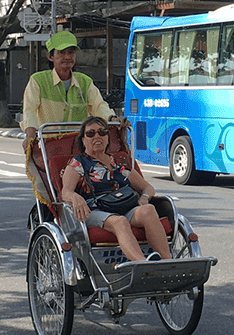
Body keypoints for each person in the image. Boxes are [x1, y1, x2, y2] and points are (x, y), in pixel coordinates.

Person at [60, 116, 171, 263]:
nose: (97, 136)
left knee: (148, 210)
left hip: (124, 206)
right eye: (91, 133)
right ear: (83, 140)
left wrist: (143, 199)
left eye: (102, 132)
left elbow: (147, 187)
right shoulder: (78, 163)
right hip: (95, 211)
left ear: (107, 138)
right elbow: (65, 192)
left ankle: (168, 262)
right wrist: (75, 198)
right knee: (120, 222)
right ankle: (142, 264)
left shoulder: (119, 162)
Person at [21, 31, 119, 152]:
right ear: (50, 56)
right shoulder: (38, 80)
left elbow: (99, 105)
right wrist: (30, 132)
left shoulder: (85, 81)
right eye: (61, 52)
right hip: (49, 145)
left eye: (71, 52)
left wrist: (112, 118)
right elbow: (29, 109)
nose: (67, 57)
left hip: (79, 144)